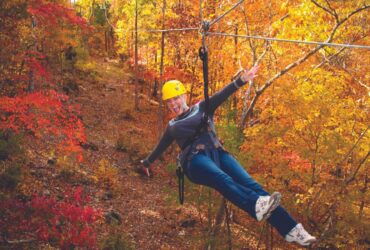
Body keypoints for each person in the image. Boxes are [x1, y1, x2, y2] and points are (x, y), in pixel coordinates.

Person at [141, 66, 316, 246]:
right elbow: (160, 147)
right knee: (221, 178)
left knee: (255, 188)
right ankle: (256, 205)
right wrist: (146, 162)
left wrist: (242, 80)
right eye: (169, 101)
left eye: (176, 98)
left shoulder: (202, 107)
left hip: (217, 153)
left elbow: (222, 94)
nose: (173, 104)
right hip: (194, 162)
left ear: (184, 96)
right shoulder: (172, 126)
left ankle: (293, 231)